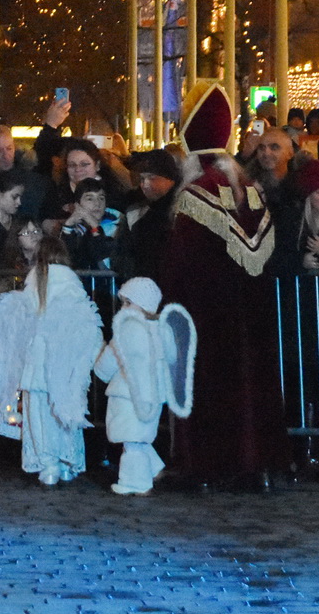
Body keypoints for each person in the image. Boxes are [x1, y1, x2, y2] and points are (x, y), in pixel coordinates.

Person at [157, 83, 289, 490]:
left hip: (206, 315)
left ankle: (204, 465)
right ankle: (254, 465)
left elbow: (182, 264)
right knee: (252, 384)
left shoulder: (195, 194)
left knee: (207, 384)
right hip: (252, 314)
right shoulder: (248, 191)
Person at [0, 230, 102, 485]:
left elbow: (22, 323)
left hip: (36, 365)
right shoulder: (71, 283)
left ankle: (47, 464)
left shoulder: (34, 281)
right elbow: (84, 324)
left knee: (38, 416)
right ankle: (66, 463)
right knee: (64, 413)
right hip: (63, 365)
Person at [93, 277, 195, 495]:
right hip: (153, 396)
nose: (124, 309)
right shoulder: (163, 330)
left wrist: (99, 363)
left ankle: (135, 483)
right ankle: (154, 469)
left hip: (127, 395)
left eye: (129, 303)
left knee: (132, 441)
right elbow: (171, 359)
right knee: (139, 436)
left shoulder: (126, 330)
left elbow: (107, 363)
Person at [113, 149, 179, 280]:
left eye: (152, 178)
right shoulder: (136, 211)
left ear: (170, 179)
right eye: (142, 179)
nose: (145, 184)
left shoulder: (181, 211)